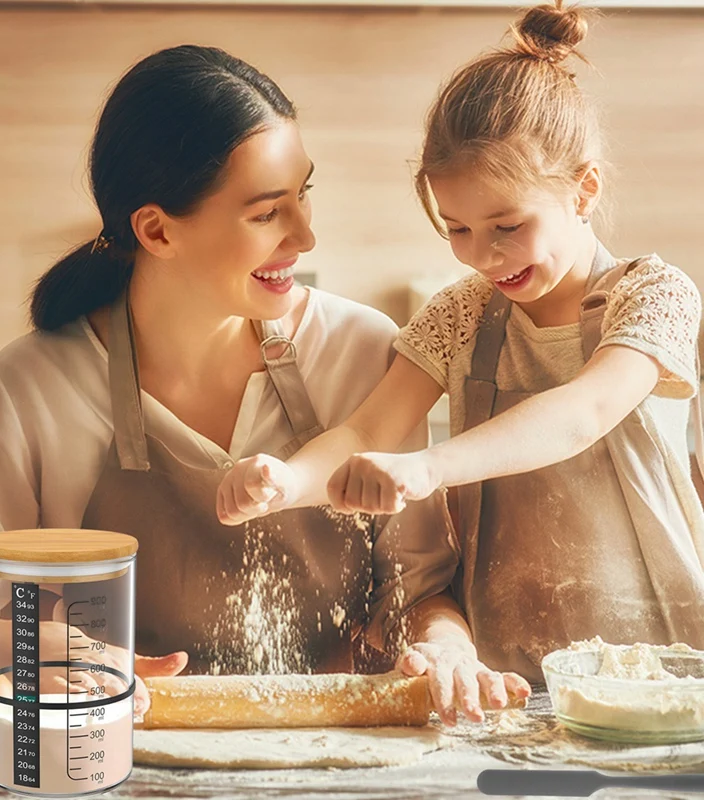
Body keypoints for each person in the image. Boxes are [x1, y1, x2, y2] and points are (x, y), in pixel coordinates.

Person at [0, 45, 529, 723]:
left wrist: (447, 648)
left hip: (329, 757)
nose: (306, 236)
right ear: (156, 230)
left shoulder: (363, 353)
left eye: (303, 196)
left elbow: (419, 595)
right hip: (114, 758)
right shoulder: (34, 386)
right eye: (266, 214)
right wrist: (44, 648)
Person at [216, 2, 704, 682]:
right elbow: (369, 426)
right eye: (459, 228)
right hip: (509, 666)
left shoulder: (653, 296)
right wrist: (285, 481)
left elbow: (583, 414)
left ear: (584, 190)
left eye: (506, 225)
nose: (484, 256)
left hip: (664, 664)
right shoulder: (463, 315)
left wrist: (432, 467)